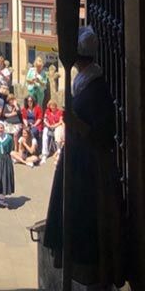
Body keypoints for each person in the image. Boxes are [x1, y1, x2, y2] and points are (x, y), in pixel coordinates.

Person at [44, 27, 125, 289]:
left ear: (80, 58)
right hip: (77, 162)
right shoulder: (84, 82)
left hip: (90, 170)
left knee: (88, 225)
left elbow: (104, 133)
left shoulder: (96, 88)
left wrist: (77, 125)